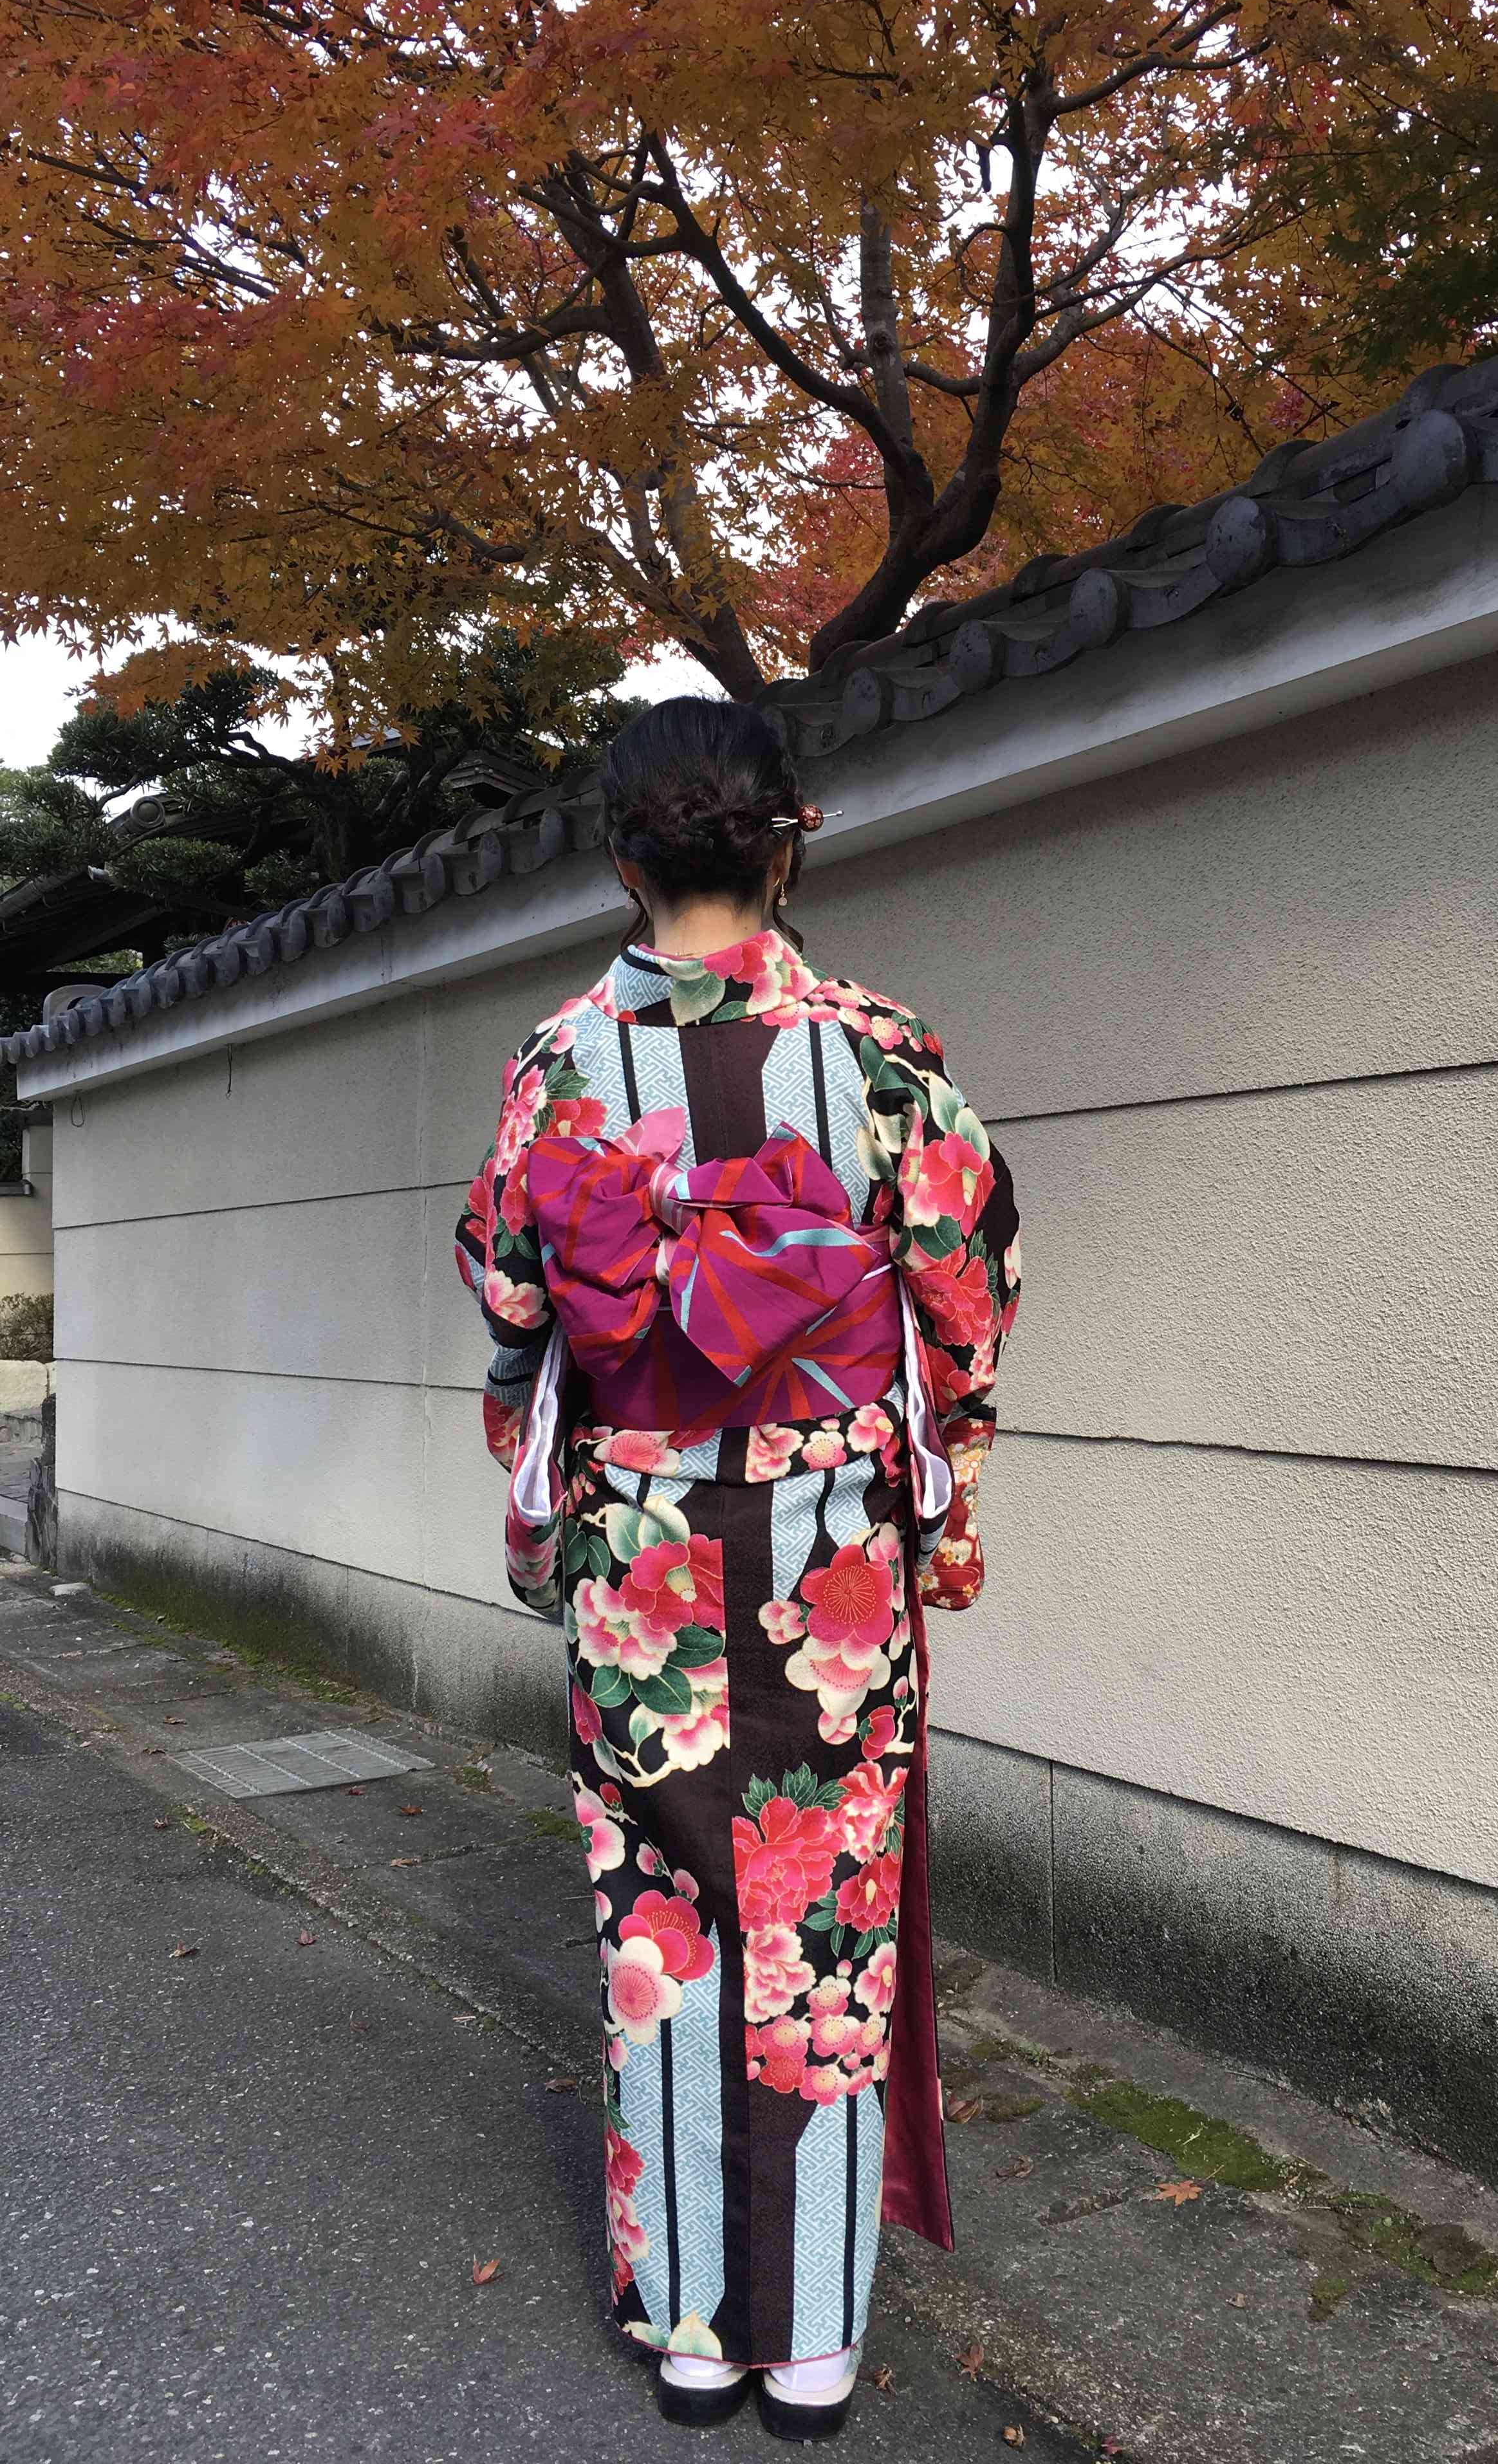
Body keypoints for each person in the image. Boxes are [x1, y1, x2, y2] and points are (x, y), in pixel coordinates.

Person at [455, 696, 1021, 2441]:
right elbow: (968, 1291)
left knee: (663, 1915)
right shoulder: (878, 1050)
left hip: (641, 1546)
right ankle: (814, 2344)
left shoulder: (558, 1064)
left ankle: (694, 2327)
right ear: (784, 844)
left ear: (623, 860)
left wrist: (535, 1453)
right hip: (828, 1544)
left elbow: (514, 1296)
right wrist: (949, 1485)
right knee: (822, 1918)